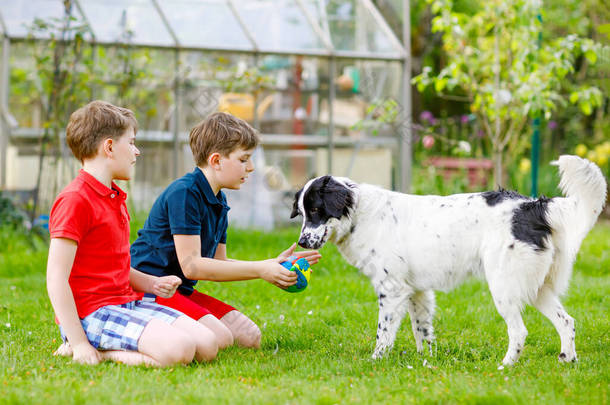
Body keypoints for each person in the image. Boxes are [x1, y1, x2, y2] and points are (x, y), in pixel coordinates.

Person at [47, 100, 218, 366]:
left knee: (208, 345)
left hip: (127, 303)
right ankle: (85, 349)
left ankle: (94, 346)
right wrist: (80, 342)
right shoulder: (75, 200)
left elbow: (113, 265)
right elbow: (56, 278)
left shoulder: (113, 196)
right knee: (180, 351)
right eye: (132, 142)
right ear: (110, 147)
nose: (136, 152)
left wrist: (151, 284)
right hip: (93, 313)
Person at [130, 112, 321, 350]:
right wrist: (261, 270)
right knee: (220, 339)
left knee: (249, 337)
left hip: (179, 291)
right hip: (148, 289)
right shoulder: (185, 193)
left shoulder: (219, 200)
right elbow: (193, 266)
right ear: (216, 161)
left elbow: (219, 262)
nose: (250, 168)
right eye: (243, 160)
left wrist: (271, 264)